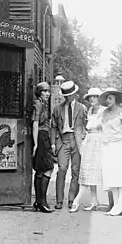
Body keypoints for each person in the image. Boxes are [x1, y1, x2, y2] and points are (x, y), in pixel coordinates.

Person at [51, 80, 88, 210]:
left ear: (74, 94)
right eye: (65, 95)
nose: (67, 98)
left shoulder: (82, 108)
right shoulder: (57, 109)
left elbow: (86, 125)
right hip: (63, 141)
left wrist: (84, 137)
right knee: (61, 169)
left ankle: (72, 200)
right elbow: (54, 127)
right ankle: (59, 200)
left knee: (75, 171)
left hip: (77, 141)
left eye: (70, 95)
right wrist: (53, 144)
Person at [99, 88, 122, 216]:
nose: (108, 101)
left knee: (121, 175)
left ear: (116, 100)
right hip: (108, 146)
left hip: (120, 145)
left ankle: (120, 204)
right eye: (107, 98)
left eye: (110, 98)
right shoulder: (104, 114)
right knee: (111, 176)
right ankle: (116, 205)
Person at [70, 87, 104, 213]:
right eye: (90, 97)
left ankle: (76, 200)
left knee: (91, 172)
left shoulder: (103, 111)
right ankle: (94, 200)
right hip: (89, 142)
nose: (92, 99)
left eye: (95, 97)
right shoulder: (89, 110)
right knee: (88, 171)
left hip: (98, 143)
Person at [31, 81, 54, 213]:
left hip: (44, 136)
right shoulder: (38, 104)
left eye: (48, 91)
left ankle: (39, 202)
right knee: (48, 167)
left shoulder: (44, 104)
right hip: (40, 136)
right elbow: (35, 124)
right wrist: (35, 144)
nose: (47, 94)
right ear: (39, 92)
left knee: (40, 170)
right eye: (44, 91)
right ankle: (42, 202)